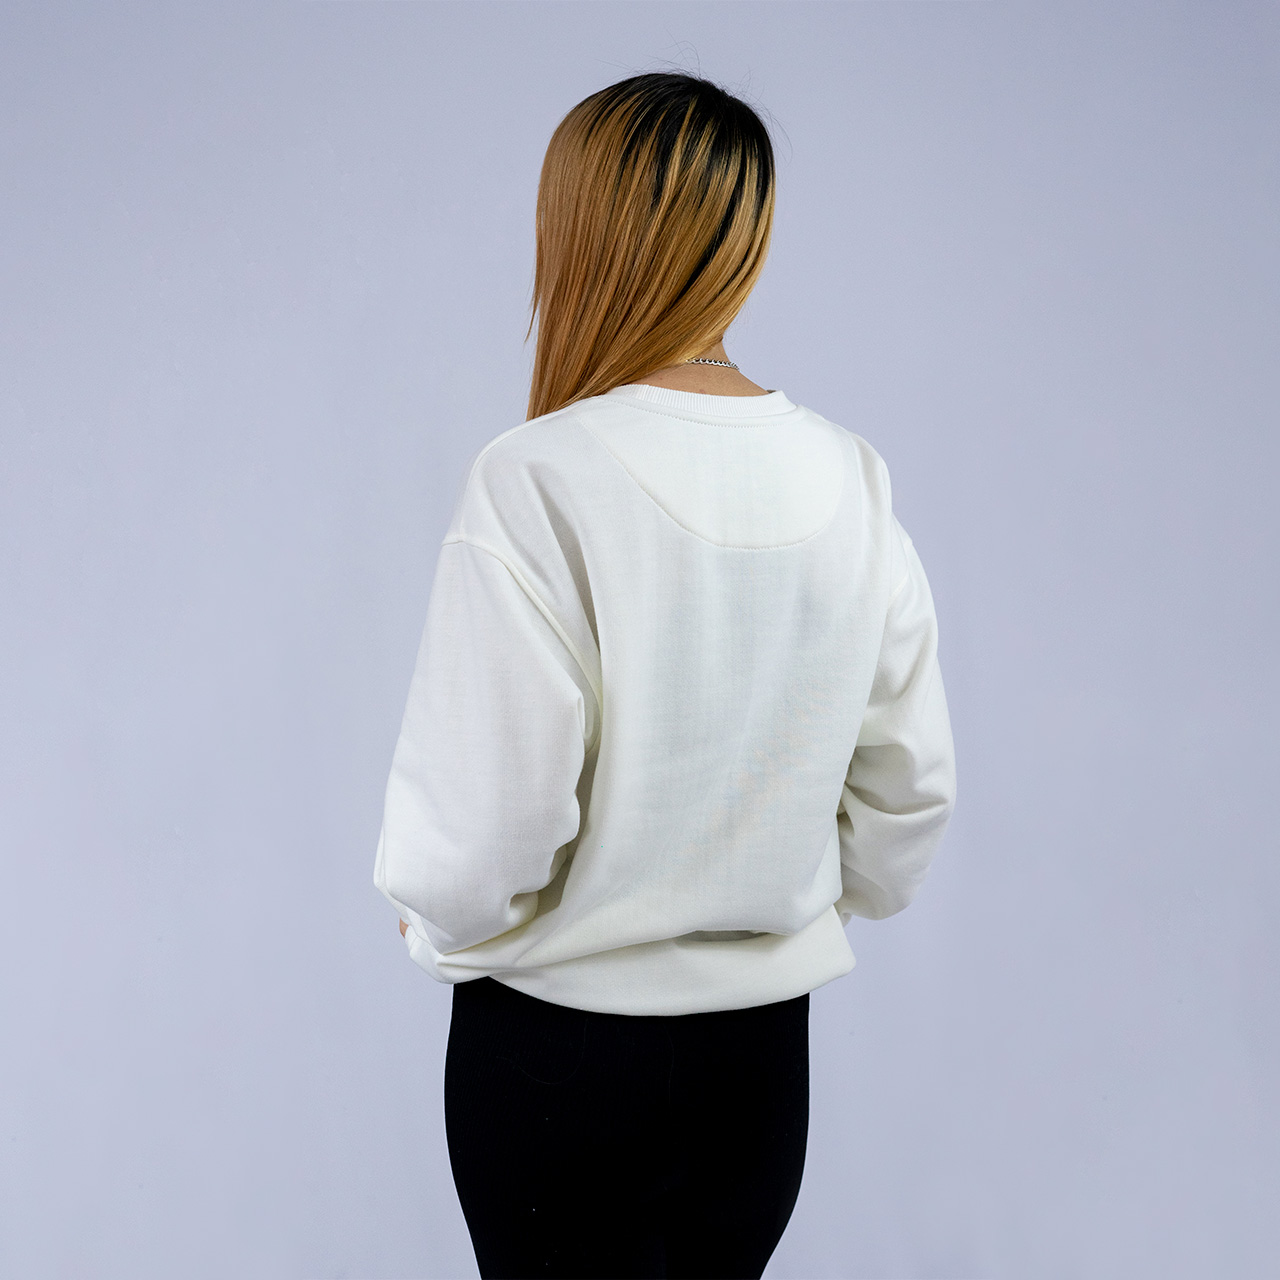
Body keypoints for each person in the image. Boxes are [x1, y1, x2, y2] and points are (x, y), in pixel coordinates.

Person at [374, 70, 957, 1280]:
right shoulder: (850, 475)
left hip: (557, 1061)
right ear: (747, 238)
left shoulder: (535, 479)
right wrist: (768, 904)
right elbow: (907, 798)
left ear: (577, 232)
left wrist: (435, 918)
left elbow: (485, 836)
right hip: (758, 1071)